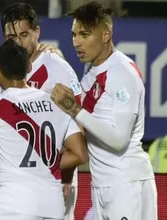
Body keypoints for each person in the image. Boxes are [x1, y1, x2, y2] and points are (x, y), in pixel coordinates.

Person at [0, 38, 88, 220]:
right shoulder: (55, 102)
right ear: (28, 67)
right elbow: (80, 154)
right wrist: (42, 165)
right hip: (53, 207)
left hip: (13, 207)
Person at [51, 2, 157, 220]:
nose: (76, 42)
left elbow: (118, 138)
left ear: (106, 35)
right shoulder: (91, 70)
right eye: (74, 34)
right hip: (102, 184)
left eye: (84, 34)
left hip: (126, 184)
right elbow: (86, 116)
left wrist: (73, 108)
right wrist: (56, 60)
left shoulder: (121, 73)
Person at [0, 3, 81, 219]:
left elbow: (78, 124)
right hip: (17, 179)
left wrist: (65, 175)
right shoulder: (1, 70)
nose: (17, 42)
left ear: (37, 31)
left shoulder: (57, 68)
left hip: (54, 178)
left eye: (24, 34)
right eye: (11, 36)